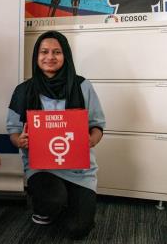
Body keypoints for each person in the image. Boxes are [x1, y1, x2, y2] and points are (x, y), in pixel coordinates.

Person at [6, 31, 105, 239]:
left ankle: (71, 202)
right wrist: (20, 140)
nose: (50, 57)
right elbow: (13, 131)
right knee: (51, 200)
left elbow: (97, 126)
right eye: (44, 52)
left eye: (56, 52)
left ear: (65, 55)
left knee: (77, 229)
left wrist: (91, 139)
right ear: (36, 56)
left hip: (79, 171)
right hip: (42, 168)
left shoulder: (82, 86)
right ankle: (49, 206)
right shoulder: (24, 90)